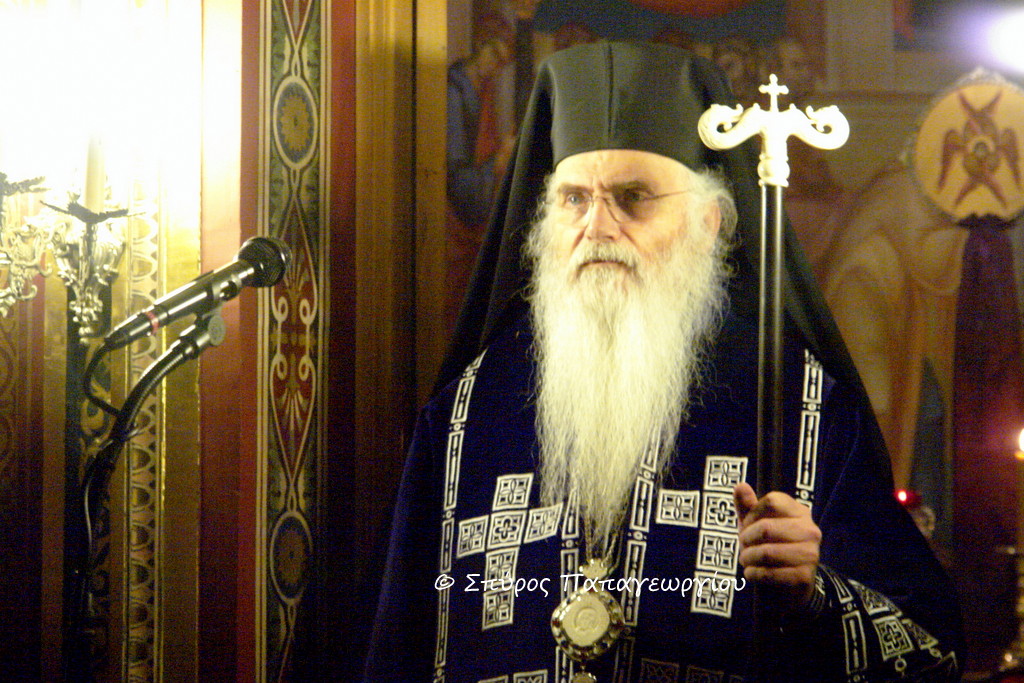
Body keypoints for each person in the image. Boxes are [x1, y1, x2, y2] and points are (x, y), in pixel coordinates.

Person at [365, 41, 962, 682]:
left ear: (710, 223)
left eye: (632, 197)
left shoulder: (800, 407)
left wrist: (816, 596)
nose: (597, 226)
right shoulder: (468, 414)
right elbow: (397, 648)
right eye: (574, 199)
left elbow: (930, 649)